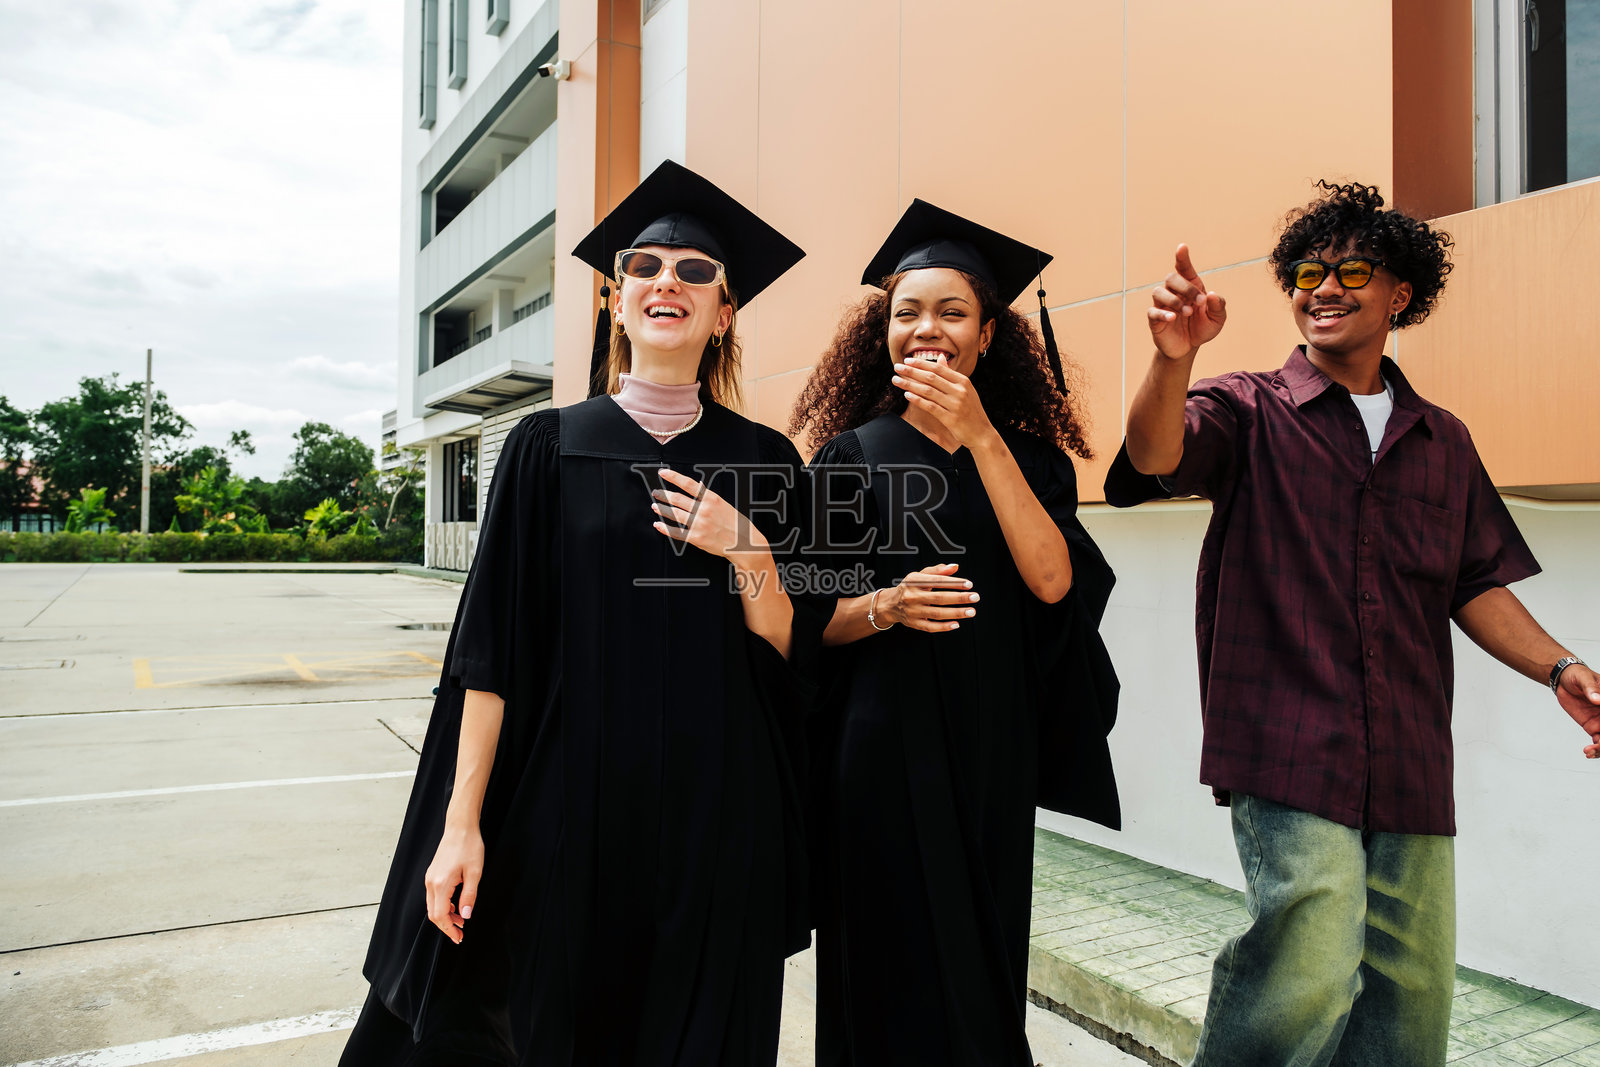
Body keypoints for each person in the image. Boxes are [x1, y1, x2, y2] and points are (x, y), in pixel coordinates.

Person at [1104, 180, 1600, 1067]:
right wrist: (1173, 358)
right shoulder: (1249, 408)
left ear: (1400, 293)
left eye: (1351, 271)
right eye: (1306, 272)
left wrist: (1563, 669)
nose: (1322, 288)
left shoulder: (1440, 439)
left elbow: (1476, 578)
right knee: (1312, 955)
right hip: (1286, 740)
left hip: (1409, 755)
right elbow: (1156, 455)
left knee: (1412, 993)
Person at [341, 160, 823, 1067]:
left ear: (726, 310)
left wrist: (749, 549)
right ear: (614, 299)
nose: (665, 281)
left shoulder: (767, 461)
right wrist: (462, 824)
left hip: (720, 817)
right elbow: (491, 652)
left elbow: (790, 655)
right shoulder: (546, 446)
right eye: (642, 267)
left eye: (694, 271)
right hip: (570, 809)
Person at [789, 200, 1121, 1067]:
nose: (925, 328)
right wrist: (885, 606)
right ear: (883, 333)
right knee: (881, 961)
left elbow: (1053, 580)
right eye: (906, 312)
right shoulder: (850, 457)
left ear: (986, 337)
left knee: (984, 955)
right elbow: (806, 617)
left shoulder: (1031, 458)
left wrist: (979, 435)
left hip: (990, 749)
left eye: (951, 312)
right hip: (879, 748)